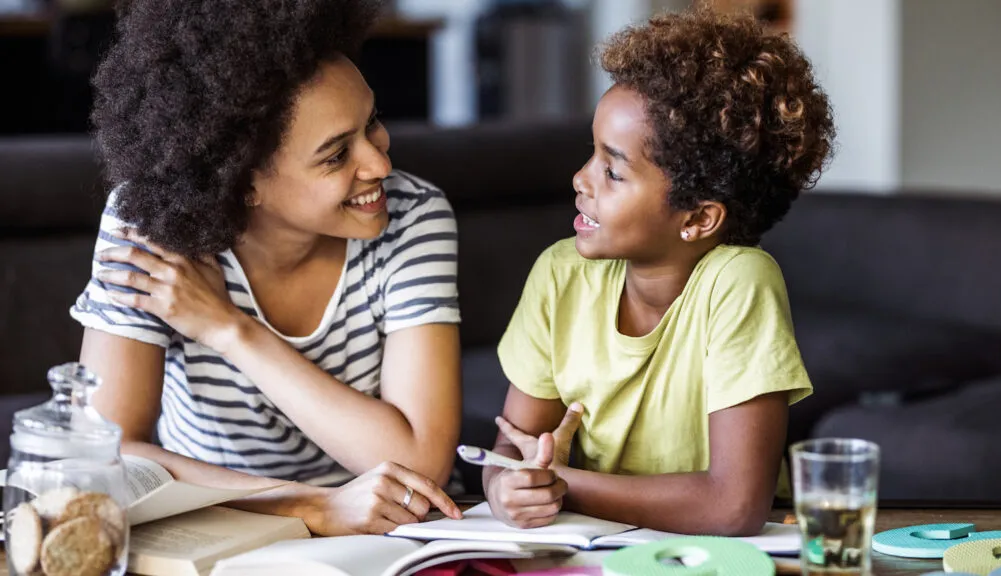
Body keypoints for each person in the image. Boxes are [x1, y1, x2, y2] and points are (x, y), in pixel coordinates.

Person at [71, 0, 464, 536]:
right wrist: (309, 506)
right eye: (334, 155)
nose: (380, 164)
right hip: (211, 524)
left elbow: (420, 463)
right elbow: (105, 448)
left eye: (371, 122)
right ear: (245, 182)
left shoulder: (414, 217)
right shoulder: (150, 228)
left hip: (376, 532)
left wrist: (230, 330)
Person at [484, 8, 835, 536]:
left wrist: (565, 484)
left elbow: (734, 507)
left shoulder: (739, 282)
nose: (581, 179)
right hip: (599, 550)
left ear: (697, 218)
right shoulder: (560, 274)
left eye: (613, 170)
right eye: (590, 154)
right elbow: (513, 445)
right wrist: (505, 485)